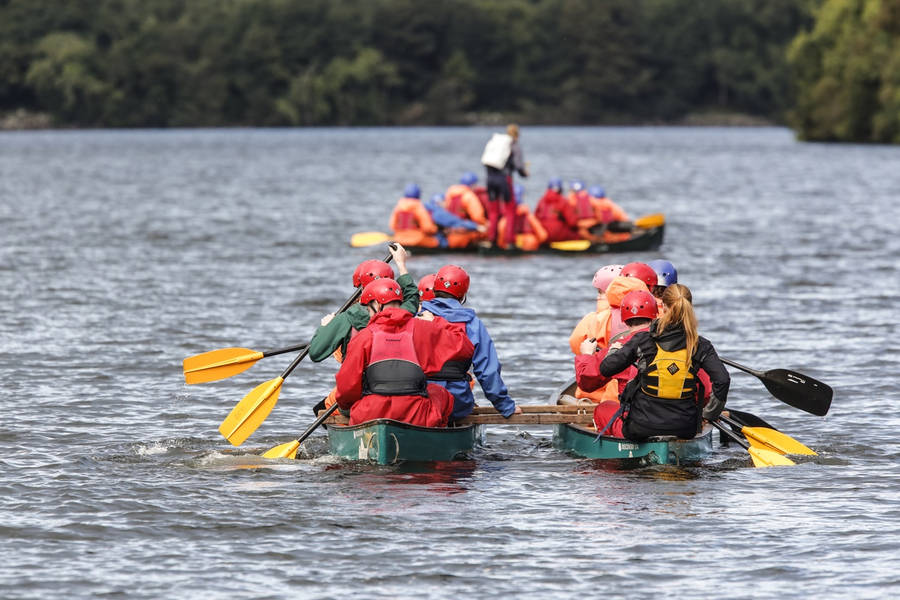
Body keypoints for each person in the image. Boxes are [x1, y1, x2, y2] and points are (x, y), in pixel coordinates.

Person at [578, 284, 730, 441]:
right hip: (686, 428)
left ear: (662, 307)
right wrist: (709, 414)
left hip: (642, 427)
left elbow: (606, 368)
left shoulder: (643, 340)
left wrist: (614, 350)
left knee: (603, 409)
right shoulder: (700, 345)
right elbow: (723, 380)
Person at [334, 278, 475, 427]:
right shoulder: (423, 328)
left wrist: (353, 402)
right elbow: (466, 347)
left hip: (372, 414)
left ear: (377, 304)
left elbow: (346, 389)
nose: (369, 315)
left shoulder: (363, 337)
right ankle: (439, 434)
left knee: (353, 400)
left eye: (368, 310)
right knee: (441, 393)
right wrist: (436, 322)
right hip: (417, 415)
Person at [308, 245, 419, 414]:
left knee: (320, 409)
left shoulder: (345, 318)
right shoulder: (403, 314)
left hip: (363, 396)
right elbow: (412, 298)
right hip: (403, 393)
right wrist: (401, 264)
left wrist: (325, 327)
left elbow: (316, 353)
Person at [419, 264, 521, 420]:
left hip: (420, 400)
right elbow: (487, 371)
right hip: (457, 403)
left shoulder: (415, 318)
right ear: (462, 296)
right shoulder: (473, 324)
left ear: (433, 291)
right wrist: (505, 406)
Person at [574, 289, 658, 437]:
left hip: (638, 423)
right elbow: (706, 390)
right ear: (655, 315)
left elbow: (587, 382)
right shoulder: (675, 344)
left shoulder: (619, 348)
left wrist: (587, 355)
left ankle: (608, 455)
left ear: (624, 320)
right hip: (678, 420)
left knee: (603, 409)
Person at [569, 271, 647, 402]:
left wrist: (587, 355)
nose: (598, 297)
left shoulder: (597, 319)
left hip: (606, 394)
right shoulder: (665, 324)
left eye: (601, 292)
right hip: (668, 408)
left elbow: (575, 343)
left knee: (604, 407)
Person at [481, 123, 528, 246]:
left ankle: (491, 240)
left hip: (490, 178)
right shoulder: (513, 144)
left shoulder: (496, 142)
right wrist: (525, 173)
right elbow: (519, 166)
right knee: (510, 210)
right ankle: (509, 241)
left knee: (493, 210)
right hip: (504, 179)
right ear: (517, 134)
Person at [496, 184, 548, 251]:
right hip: (528, 246)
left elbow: (501, 234)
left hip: (509, 246)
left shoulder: (506, 218)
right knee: (531, 240)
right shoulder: (528, 216)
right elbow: (543, 236)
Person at [389, 183, 440, 248]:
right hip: (417, 241)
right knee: (440, 241)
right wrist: (435, 229)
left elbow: (392, 226)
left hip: (400, 240)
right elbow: (427, 228)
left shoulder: (398, 208)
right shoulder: (418, 207)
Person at [535, 177, 579, 242]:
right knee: (579, 233)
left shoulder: (541, 201)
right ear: (560, 189)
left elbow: (536, 217)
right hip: (557, 235)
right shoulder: (563, 201)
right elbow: (573, 223)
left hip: (542, 234)